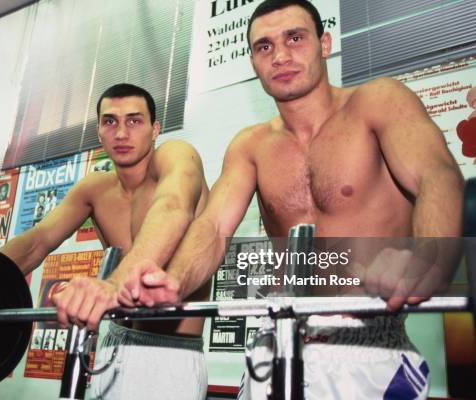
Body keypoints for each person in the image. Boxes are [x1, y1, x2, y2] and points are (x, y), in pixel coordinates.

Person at [122, 1, 464, 399]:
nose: (280, 55)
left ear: (324, 43)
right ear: (252, 61)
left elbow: (436, 177)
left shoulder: (378, 102)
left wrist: (428, 256)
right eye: (264, 47)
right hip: (278, 343)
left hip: (370, 344)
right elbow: (213, 227)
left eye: (295, 38)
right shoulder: (250, 145)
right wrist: (175, 282)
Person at [0, 83, 210, 400]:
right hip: (115, 343)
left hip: (174, 350)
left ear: (155, 129)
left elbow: (173, 207)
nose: (120, 133)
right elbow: (37, 241)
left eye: (134, 121)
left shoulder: (176, 155)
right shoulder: (95, 189)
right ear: (99, 132)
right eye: (110, 122)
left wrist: (113, 285)